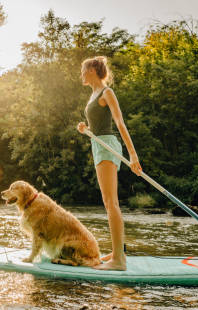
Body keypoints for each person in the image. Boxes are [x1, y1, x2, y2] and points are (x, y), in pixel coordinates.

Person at [77, 56, 142, 271]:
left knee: (111, 202)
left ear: (93, 70)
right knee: (108, 202)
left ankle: (119, 261)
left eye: (84, 70)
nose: (82, 74)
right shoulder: (93, 95)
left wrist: (133, 156)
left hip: (108, 146)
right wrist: (85, 129)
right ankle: (117, 252)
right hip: (99, 145)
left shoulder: (107, 93)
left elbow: (119, 123)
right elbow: (97, 125)